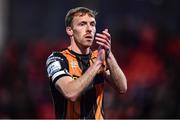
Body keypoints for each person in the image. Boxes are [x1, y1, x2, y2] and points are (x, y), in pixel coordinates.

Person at [46, 7, 127, 119]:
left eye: (92, 24)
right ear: (70, 30)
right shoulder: (57, 59)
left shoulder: (99, 57)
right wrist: (98, 63)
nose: (89, 29)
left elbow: (122, 87)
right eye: (82, 24)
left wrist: (109, 54)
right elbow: (70, 93)